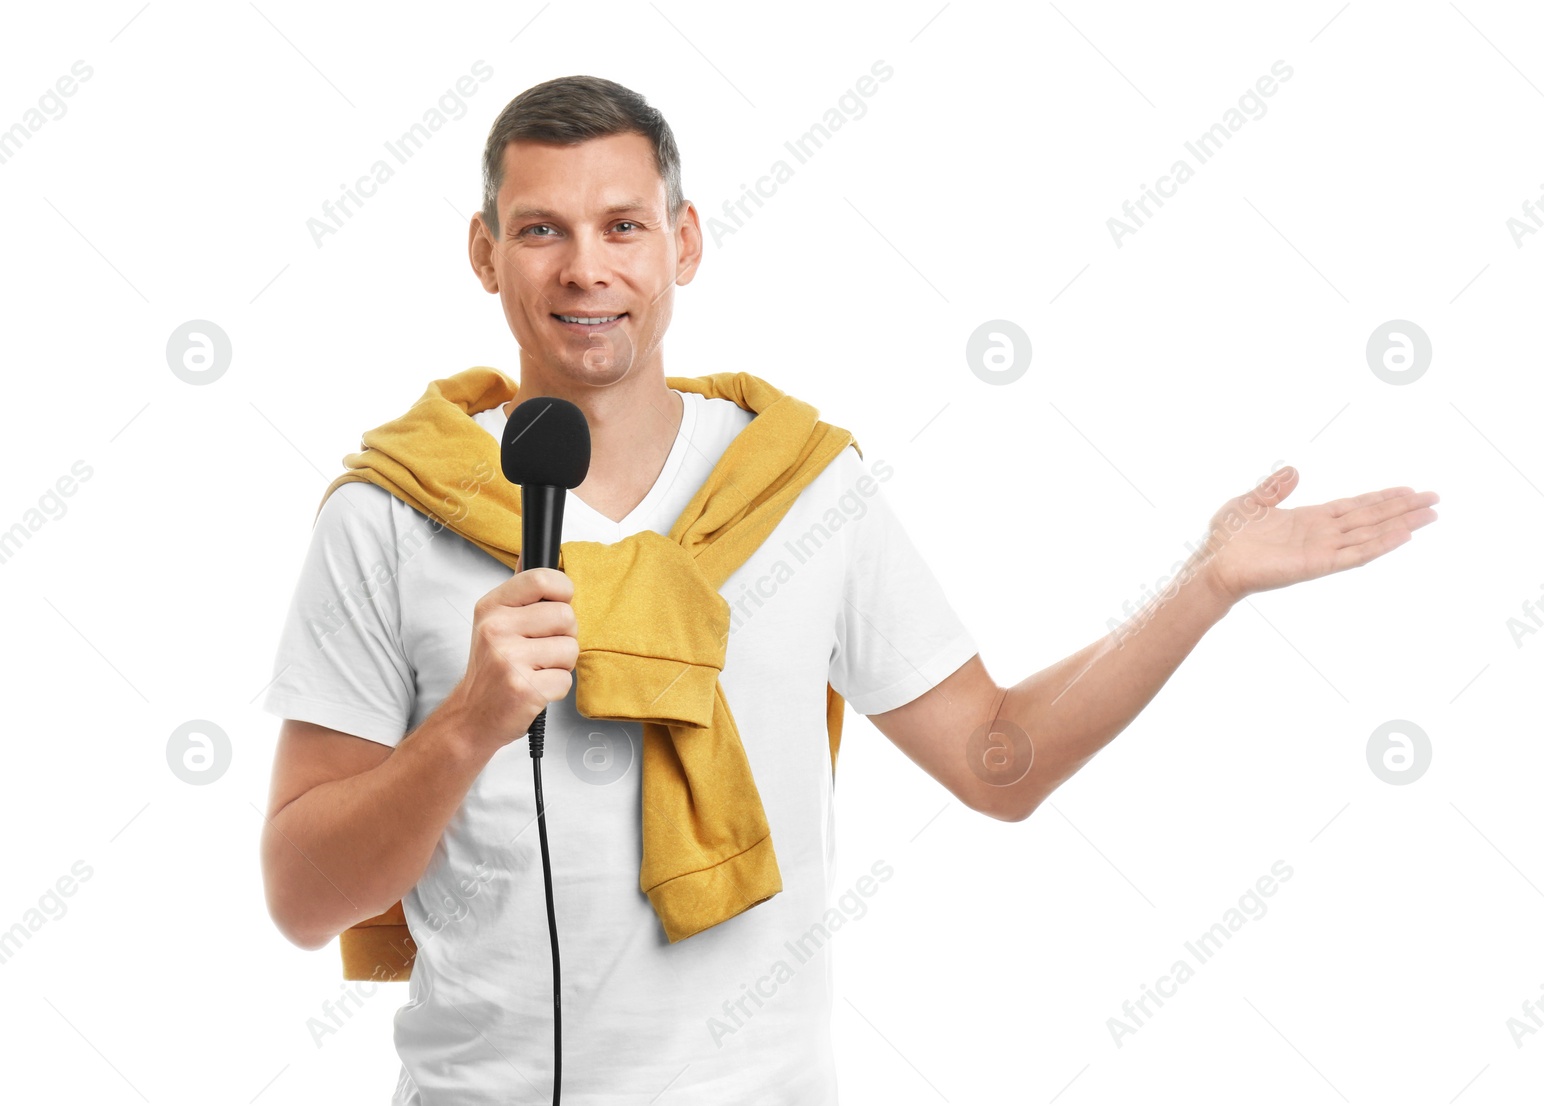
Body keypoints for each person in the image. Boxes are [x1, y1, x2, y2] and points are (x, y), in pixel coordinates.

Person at [258, 75, 1440, 1105]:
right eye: (539, 230)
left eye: (623, 224)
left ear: (684, 243)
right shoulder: (387, 516)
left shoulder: (802, 491)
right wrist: (466, 725)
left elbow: (997, 762)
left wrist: (1203, 585)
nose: (586, 269)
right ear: (482, 252)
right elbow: (305, 899)